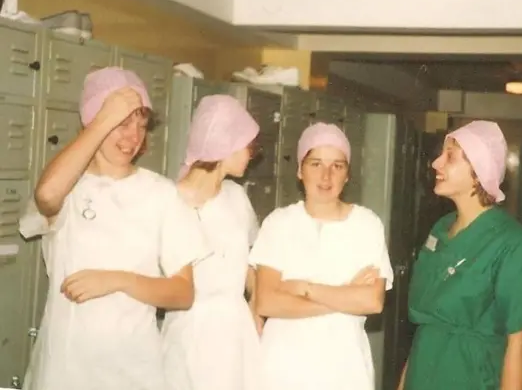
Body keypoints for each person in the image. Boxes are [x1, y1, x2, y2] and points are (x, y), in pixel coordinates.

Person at [18, 67, 205, 390]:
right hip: (65, 369)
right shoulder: (68, 187)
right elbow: (47, 195)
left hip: (133, 368)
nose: (133, 138)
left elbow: (182, 293)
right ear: (94, 121)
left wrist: (118, 280)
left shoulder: (160, 194)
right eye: (122, 124)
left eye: (141, 126)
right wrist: (104, 119)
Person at [397, 120, 522, 390]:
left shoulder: (510, 241)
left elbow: (521, 342)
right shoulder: (440, 229)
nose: (436, 164)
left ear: (478, 172)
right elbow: (428, 326)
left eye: (450, 156)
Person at [249, 122, 394, 390]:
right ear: (300, 171)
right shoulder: (279, 223)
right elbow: (267, 303)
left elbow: (372, 301)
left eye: (337, 166)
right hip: (282, 370)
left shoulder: (366, 224)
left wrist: (304, 288)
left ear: (347, 174)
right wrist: (345, 295)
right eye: (316, 164)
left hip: (345, 370)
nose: (326, 176)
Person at [161, 95, 263, 390]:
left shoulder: (236, 197)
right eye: (247, 146)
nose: (251, 155)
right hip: (190, 328)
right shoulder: (170, 199)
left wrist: (256, 307)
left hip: (236, 327)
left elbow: (248, 264)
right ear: (225, 143)